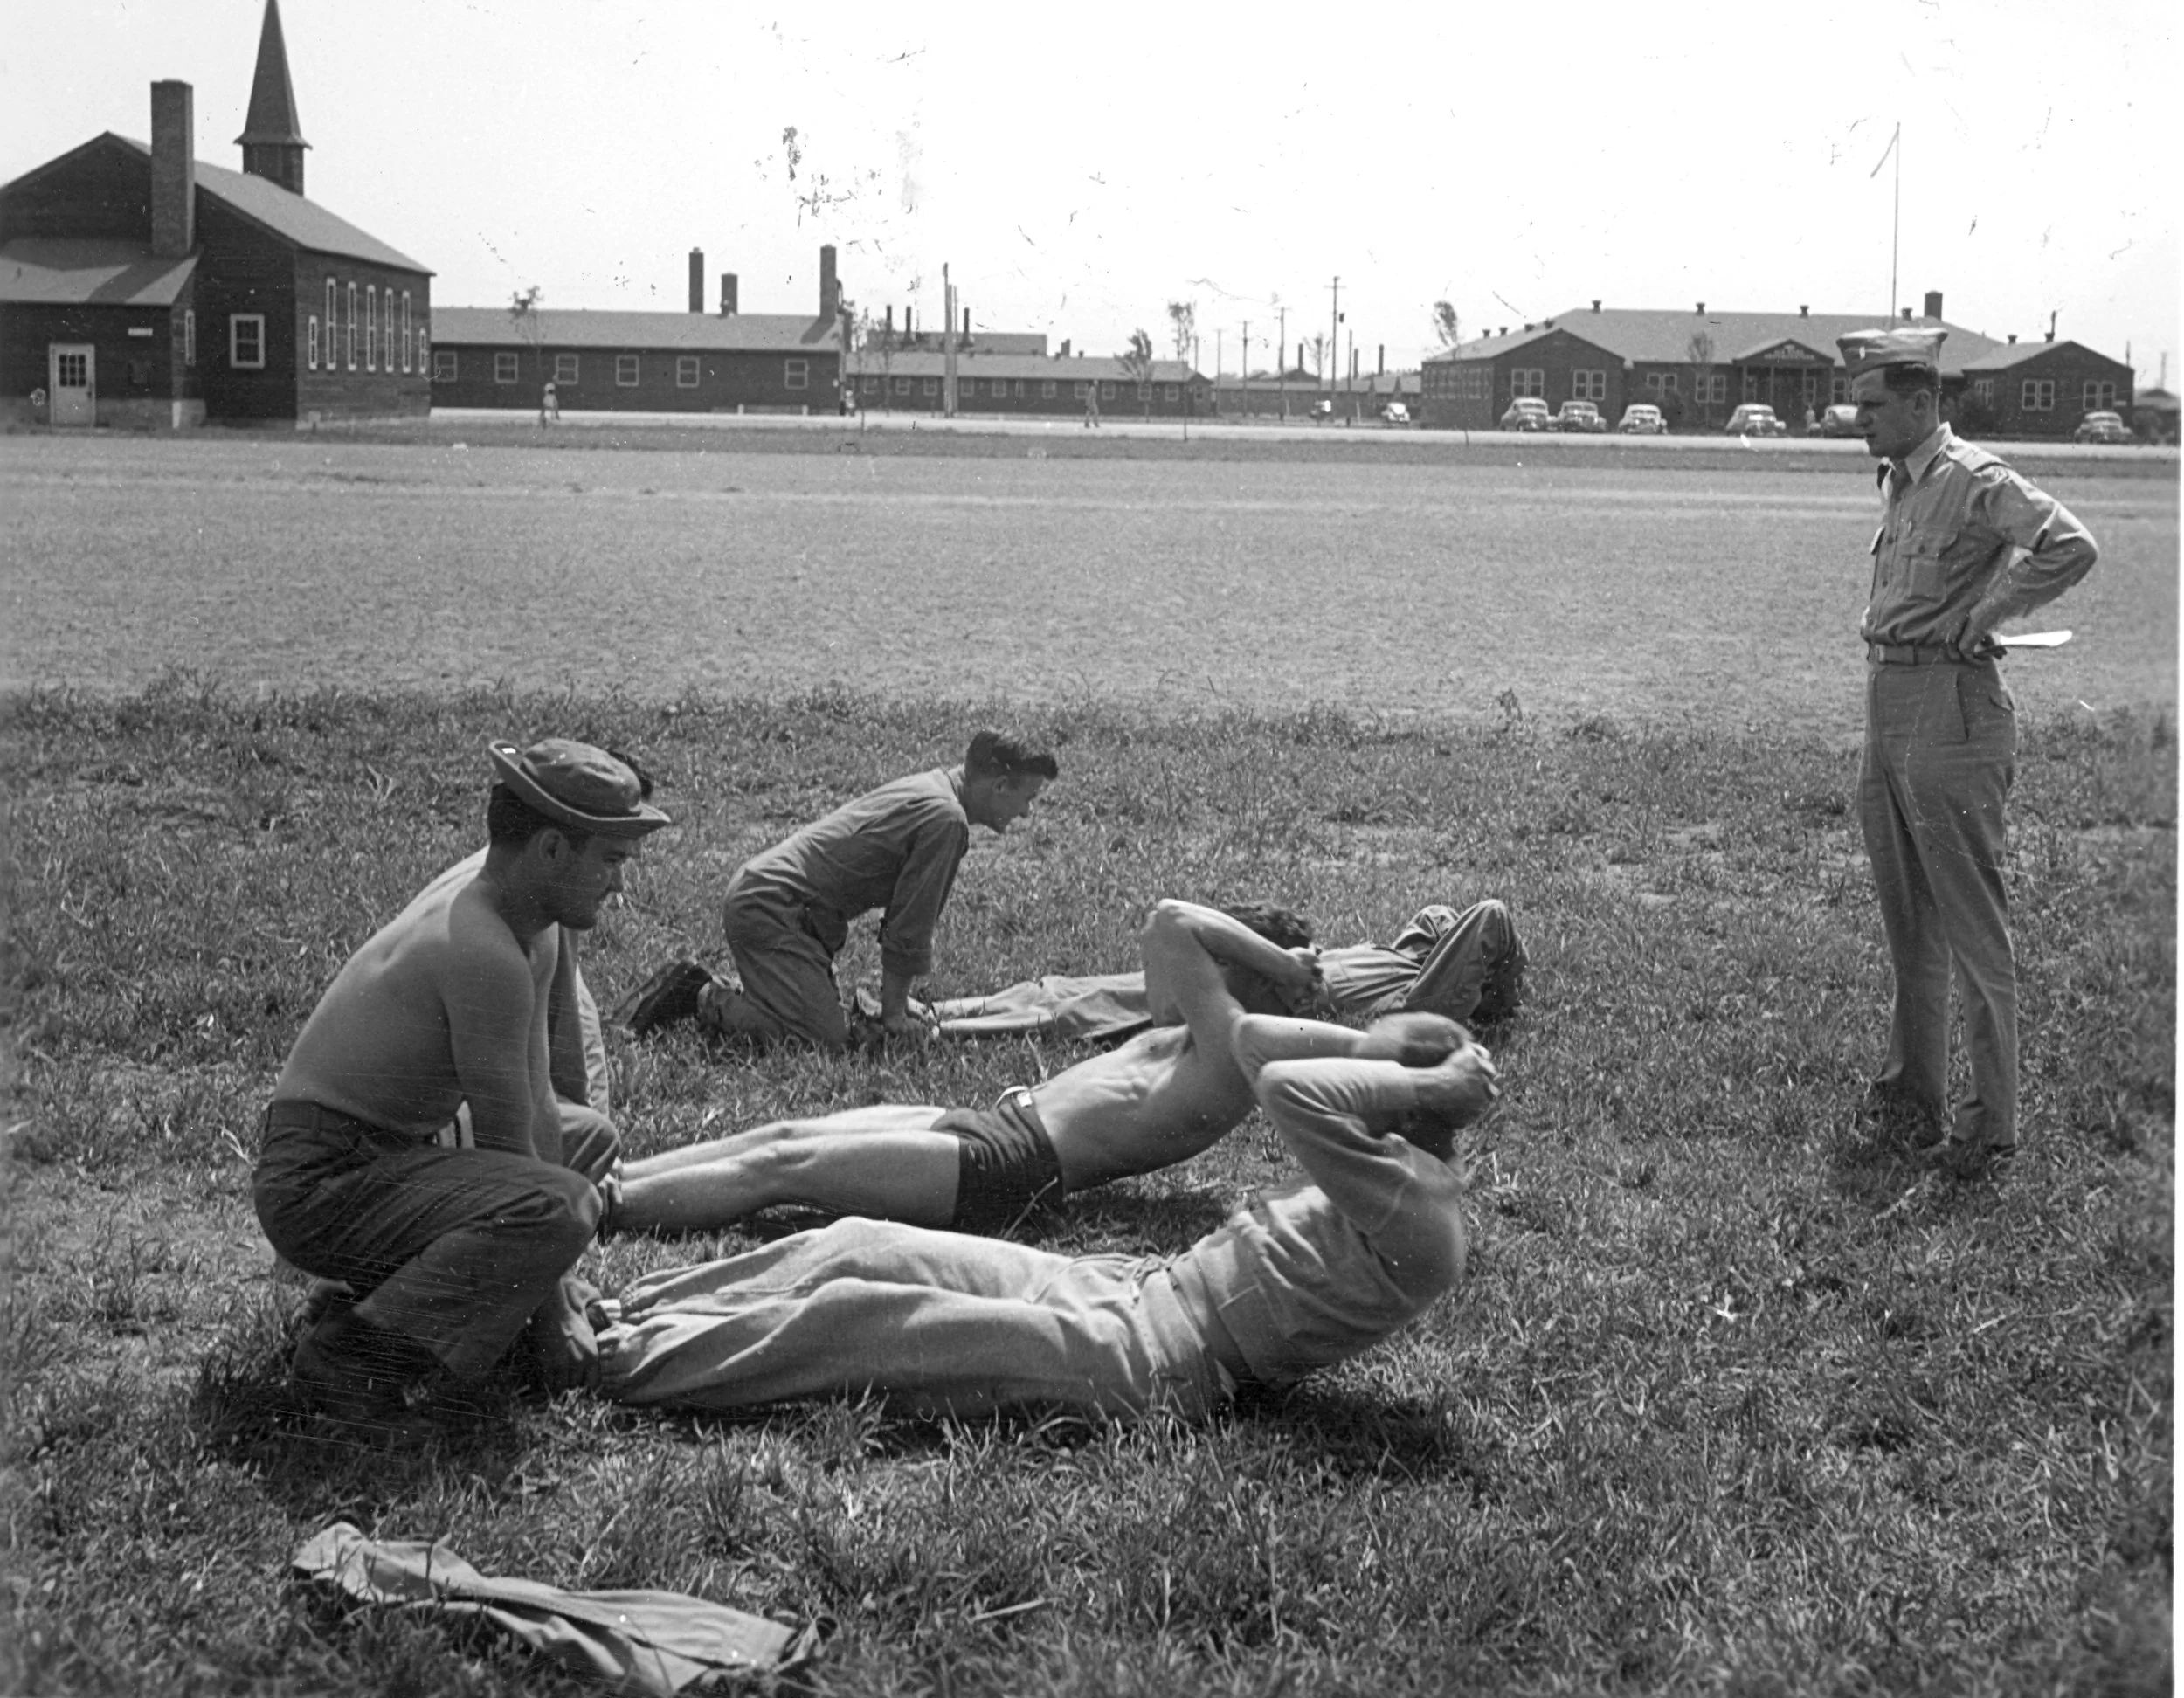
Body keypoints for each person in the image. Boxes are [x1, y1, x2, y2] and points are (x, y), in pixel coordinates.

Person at [591, 912, 1498, 1424]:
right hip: (1134, 1286)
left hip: (1157, 1358)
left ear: (1392, 1097)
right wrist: (1407, 1070)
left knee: (863, 1319)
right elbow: (1173, 935)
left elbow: (1290, 1079)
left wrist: (1421, 1069)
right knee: (857, 1240)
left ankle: (604, 1355)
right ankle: (636, 1303)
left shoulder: (1418, 1213)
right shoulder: (1380, 1157)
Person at [251, 739, 670, 1430]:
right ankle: (351, 1358)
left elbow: (538, 1109)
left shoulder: (524, 927)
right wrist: (555, 1306)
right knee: (557, 1207)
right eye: (612, 860)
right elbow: (514, 1153)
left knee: (585, 1141)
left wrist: (548, 1283)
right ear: (550, 851)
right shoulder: (481, 949)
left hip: (378, 1154)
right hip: (316, 1184)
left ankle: (377, 1300)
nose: (619, 885)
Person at [606, 901, 1324, 1238]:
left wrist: (1284, 966)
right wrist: (1273, 962)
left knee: (783, 1169)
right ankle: (612, 1183)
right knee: (790, 1132)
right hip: (995, 1127)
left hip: (1011, 1166)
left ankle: (597, 1211)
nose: (1218, 966)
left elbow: (1176, 920)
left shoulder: (1235, 1042)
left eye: (1236, 961)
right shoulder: (1194, 1023)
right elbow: (1165, 925)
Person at [1840, 326, 2098, 1181]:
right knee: (1907, 918)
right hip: (1889, 699)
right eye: (1859, 405)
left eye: (1874, 407)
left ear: (1923, 404)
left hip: (1950, 710)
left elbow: (2069, 544)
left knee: (1970, 927)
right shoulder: (1901, 480)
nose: (1860, 420)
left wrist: (1986, 615)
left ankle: (1989, 1126)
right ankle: (1913, 1089)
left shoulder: (1971, 479)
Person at [624, 730, 1058, 1051]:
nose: (1026, 812)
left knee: (821, 1022)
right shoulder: (947, 821)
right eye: (1028, 798)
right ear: (1000, 786)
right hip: (773, 910)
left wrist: (898, 1002)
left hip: (776, 903)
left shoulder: (937, 789)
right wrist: (892, 1013)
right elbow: (910, 925)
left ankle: (762, 993)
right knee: (821, 1041)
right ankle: (699, 993)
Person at [898, 898, 1525, 1045]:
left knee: (1079, 1008)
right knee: (1070, 993)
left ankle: (926, 1027)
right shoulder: (1410, 960)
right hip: (1291, 966)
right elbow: (1454, 922)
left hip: (1280, 984)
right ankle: (932, 1015)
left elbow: (1489, 920)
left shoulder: (1416, 1005)